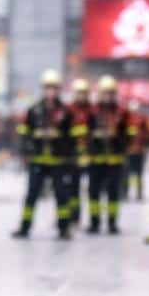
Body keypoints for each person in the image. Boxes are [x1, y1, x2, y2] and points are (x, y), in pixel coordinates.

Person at [13, 70, 72, 239]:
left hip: (57, 159)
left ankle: (63, 228)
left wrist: (63, 146)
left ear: (58, 89)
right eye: (48, 88)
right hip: (38, 158)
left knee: (61, 195)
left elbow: (71, 136)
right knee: (31, 194)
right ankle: (24, 227)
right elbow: (25, 132)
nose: (50, 92)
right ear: (43, 89)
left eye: (53, 88)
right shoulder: (34, 110)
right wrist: (28, 148)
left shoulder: (65, 112)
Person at [85, 76, 133, 235]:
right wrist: (94, 141)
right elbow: (84, 133)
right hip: (96, 159)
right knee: (94, 192)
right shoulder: (92, 112)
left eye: (110, 94)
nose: (107, 97)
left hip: (115, 159)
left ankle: (112, 223)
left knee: (113, 193)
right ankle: (94, 222)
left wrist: (118, 141)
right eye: (104, 93)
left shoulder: (122, 113)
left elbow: (129, 134)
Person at [66, 78, 94, 226]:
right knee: (73, 189)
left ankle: (93, 220)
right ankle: (74, 217)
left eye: (84, 93)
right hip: (74, 155)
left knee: (93, 189)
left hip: (91, 155)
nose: (81, 96)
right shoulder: (69, 110)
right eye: (79, 93)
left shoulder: (93, 110)